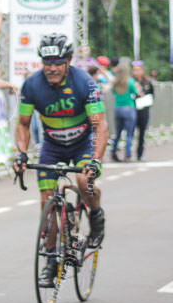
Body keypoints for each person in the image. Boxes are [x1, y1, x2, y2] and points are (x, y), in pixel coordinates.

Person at [13, 34, 108, 288]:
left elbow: (100, 126)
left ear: (68, 60)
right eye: (47, 62)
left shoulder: (84, 82)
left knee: (82, 179)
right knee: (46, 201)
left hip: (82, 144)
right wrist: (21, 153)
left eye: (57, 62)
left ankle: (96, 215)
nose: (52, 68)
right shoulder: (32, 85)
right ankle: (51, 261)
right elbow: (23, 124)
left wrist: (96, 160)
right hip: (52, 147)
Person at [109, 61, 138, 162]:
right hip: (129, 108)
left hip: (118, 108)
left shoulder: (115, 82)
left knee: (118, 133)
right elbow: (135, 93)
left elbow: (112, 92)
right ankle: (128, 155)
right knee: (129, 134)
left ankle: (113, 152)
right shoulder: (130, 82)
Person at [132, 61, 154, 161]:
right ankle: (129, 154)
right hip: (133, 110)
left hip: (144, 111)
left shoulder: (147, 82)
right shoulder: (131, 81)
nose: (136, 72)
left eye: (138, 70)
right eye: (134, 70)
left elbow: (152, 95)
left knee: (142, 133)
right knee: (130, 132)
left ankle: (140, 154)